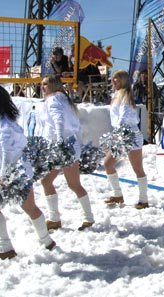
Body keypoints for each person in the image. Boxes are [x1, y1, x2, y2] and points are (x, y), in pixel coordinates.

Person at [0, 79, 55, 264]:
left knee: (29, 208)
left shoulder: (3, 121)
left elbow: (8, 149)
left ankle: (47, 241)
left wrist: (5, 175)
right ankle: (5, 248)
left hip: (16, 168)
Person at [40, 74, 95, 231]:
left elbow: (59, 120)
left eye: (46, 84)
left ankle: (87, 218)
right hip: (68, 145)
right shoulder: (64, 100)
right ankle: (55, 219)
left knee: (72, 184)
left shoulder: (53, 100)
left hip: (62, 147)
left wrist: (59, 140)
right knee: (48, 181)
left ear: (54, 85)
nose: (43, 87)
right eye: (42, 84)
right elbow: (75, 125)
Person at [103, 70, 149, 209]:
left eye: (116, 79)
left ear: (122, 80)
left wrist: (118, 133)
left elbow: (125, 116)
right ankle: (117, 195)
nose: (113, 82)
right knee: (108, 164)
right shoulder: (116, 95)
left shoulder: (126, 95)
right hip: (121, 135)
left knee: (137, 169)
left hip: (130, 135)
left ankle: (143, 199)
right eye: (112, 79)